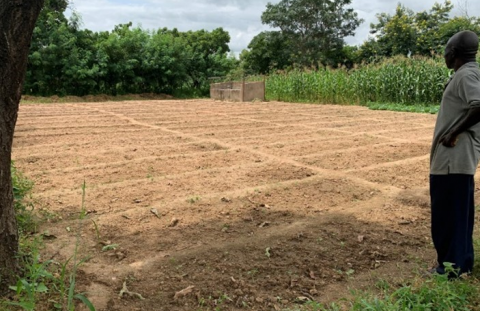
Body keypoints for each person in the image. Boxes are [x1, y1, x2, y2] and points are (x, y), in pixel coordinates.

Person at [430, 30, 480, 277]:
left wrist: (452, 133)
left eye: (446, 51)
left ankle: (450, 269)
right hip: (459, 159)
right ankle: (463, 263)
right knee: (459, 213)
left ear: (454, 53)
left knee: (448, 215)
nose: (444, 56)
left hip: (453, 158)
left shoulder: (465, 75)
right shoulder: (471, 73)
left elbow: (479, 105)